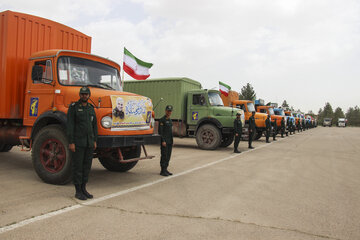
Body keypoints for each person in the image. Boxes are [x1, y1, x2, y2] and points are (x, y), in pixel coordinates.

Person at [67, 86, 98, 200]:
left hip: (89, 143)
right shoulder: (74, 107)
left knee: (86, 166)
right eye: (82, 94)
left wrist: (95, 140)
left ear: (89, 95)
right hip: (78, 142)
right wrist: (71, 142)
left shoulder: (90, 108)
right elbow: (70, 125)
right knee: (78, 166)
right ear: (79, 95)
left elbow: (94, 125)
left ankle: (84, 188)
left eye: (86, 94)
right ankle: (78, 191)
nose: (84, 96)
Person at [158, 105, 174, 176]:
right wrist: (163, 141)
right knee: (164, 155)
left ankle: (166, 169)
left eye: (170, 111)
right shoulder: (162, 120)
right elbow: (160, 132)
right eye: (168, 111)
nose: (169, 112)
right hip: (164, 142)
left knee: (168, 156)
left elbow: (170, 132)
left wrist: (172, 141)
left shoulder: (170, 120)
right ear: (165, 111)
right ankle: (162, 170)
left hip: (169, 141)